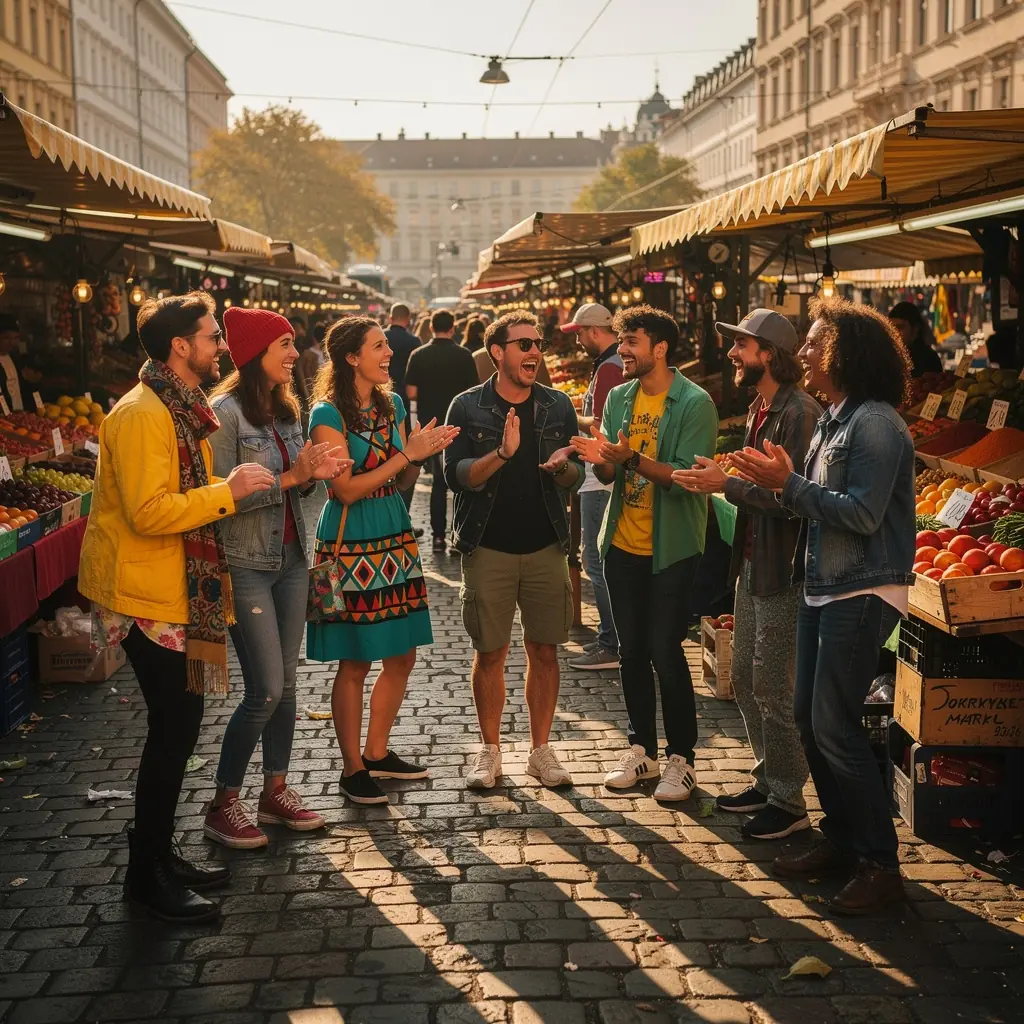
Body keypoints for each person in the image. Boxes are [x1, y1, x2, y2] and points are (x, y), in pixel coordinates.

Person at [78, 292, 277, 922]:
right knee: (172, 731)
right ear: (180, 347)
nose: (221, 346)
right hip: (146, 596)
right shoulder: (143, 414)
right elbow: (149, 510)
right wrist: (228, 490)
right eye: (212, 336)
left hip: (177, 591)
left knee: (180, 727)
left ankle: (159, 858)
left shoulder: (177, 404)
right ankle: (147, 877)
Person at [728, 296, 915, 915]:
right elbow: (800, 501)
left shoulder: (876, 423)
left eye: (813, 342)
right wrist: (757, 483)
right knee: (810, 721)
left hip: (862, 589)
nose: (802, 353)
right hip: (820, 585)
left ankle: (879, 862)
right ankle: (841, 840)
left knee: (835, 726)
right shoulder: (836, 419)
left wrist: (790, 484)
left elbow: (861, 513)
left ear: (845, 352)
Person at [204, 308, 349, 849]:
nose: (295, 355)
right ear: (255, 353)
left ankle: (276, 790)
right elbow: (217, 500)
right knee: (264, 689)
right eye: (284, 345)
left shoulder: (288, 410)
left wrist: (314, 475)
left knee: (287, 686)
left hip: (292, 560)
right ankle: (223, 802)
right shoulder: (223, 416)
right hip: (245, 565)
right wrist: (295, 475)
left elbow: (296, 489)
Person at [672, 309, 819, 840]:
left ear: (771, 355)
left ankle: (789, 800)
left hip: (785, 568)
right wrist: (727, 479)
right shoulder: (761, 408)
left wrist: (724, 485)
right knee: (750, 682)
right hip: (753, 561)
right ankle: (768, 779)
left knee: (775, 687)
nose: (733, 354)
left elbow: (796, 500)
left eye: (743, 346)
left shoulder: (801, 413)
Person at [307, 316, 459, 805]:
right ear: (352, 357)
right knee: (355, 659)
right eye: (378, 346)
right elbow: (344, 489)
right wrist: (406, 456)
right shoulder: (326, 414)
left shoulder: (392, 403)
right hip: (349, 540)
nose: (388, 353)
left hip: (393, 532)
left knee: (402, 654)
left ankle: (377, 752)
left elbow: (398, 476)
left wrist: (418, 454)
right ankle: (353, 769)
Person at [572, 305, 717, 802]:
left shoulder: (694, 402)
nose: (622, 350)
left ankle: (682, 759)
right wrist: (604, 460)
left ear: (660, 348)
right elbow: (612, 476)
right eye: (620, 340)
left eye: (630, 340)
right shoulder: (620, 396)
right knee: (631, 652)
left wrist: (629, 457)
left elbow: (684, 478)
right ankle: (641, 750)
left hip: (672, 547)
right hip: (621, 543)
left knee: (664, 649)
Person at [444, 310, 583, 791]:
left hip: (546, 544)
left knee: (545, 651)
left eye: (538, 343)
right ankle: (490, 751)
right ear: (497, 352)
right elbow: (456, 476)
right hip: (488, 547)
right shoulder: (466, 407)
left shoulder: (558, 405)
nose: (534, 352)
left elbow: (575, 478)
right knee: (491, 652)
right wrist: (501, 455)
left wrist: (563, 466)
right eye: (523, 344)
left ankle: (540, 751)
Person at [559, 303, 623, 671]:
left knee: (596, 561)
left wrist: (571, 414)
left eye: (581, 333)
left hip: (600, 477)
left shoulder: (609, 369)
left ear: (595, 331)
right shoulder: (611, 365)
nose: (579, 340)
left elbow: (598, 424)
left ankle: (610, 642)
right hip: (604, 473)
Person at [404, 309, 479, 552]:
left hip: (431, 428)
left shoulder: (418, 355)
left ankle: (437, 537)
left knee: (438, 482)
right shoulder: (464, 355)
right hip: (460, 427)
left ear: (431, 327)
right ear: (453, 328)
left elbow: (412, 393)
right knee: (461, 482)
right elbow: (474, 392)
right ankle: (459, 534)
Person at [887, 301, 941, 376]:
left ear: (915, 329)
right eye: (891, 328)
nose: (895, 333)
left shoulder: (928, 358)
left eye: (900, 327)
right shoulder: (890, 356)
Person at [383, 302, 421, 408]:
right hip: (405, 393)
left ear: (390, 318)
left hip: (381, 389)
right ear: (408, 319)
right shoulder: (414, 341)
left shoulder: (380, 338)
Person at [0, 313, 26, 412]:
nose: (12, 343)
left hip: (19, 418)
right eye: (6, 338)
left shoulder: (15, 358)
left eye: (16, 338)